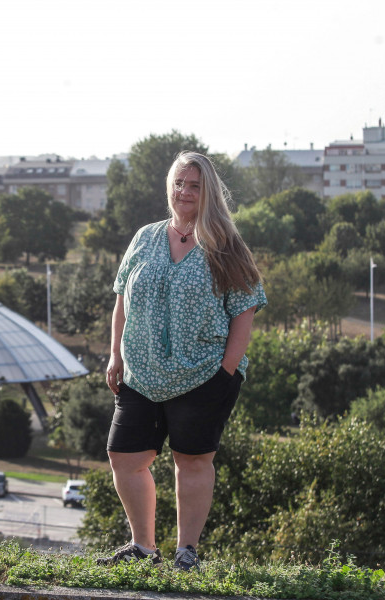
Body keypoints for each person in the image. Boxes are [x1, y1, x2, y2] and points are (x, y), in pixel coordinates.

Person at [98, 151, 266, 570]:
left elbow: (244, 310)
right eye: (178, 183)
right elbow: (122, 299)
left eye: (194, 185)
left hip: (203, 374)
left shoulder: (225, 243)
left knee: (192, 460)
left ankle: (186, 551)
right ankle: (143, 547)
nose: (185, 192)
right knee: (125, 457)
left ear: (207, 191)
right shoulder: (145, 237)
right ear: (168, 187)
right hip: (141, 372)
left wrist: (226, 373)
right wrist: (115, 353)